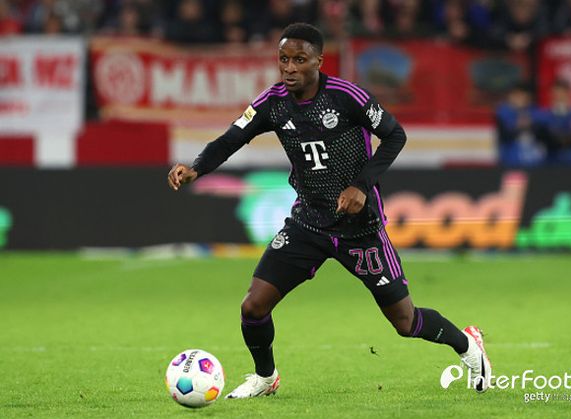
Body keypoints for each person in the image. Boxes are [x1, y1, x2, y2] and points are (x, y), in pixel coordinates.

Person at [167, 22, 491, 399]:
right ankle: (265, 376)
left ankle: (468, 345)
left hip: (360, 228)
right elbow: (230, 140)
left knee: (405, 322)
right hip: (308, 223)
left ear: (318, 61)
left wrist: (361, 186)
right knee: (254, 306)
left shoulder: (345, 97)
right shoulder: (272, 103)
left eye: (299, 60)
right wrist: (196, 167)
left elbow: (395, 135)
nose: (289, 68)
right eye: (283, 59)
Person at [538, 79, 571, 167]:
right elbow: (543, 137)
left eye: (562, 93)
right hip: (553, 160)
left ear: (568, 93)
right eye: (556, 93)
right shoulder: (545, 115)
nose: (559, 96)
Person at [495, 81, 545, 168]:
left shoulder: (535, 111)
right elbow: (507, 130)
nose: (520, 98)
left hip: (534, 161)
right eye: (516, 95)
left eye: (522, 95)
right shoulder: (504, 111)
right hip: (511, 161)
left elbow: (543, 126)